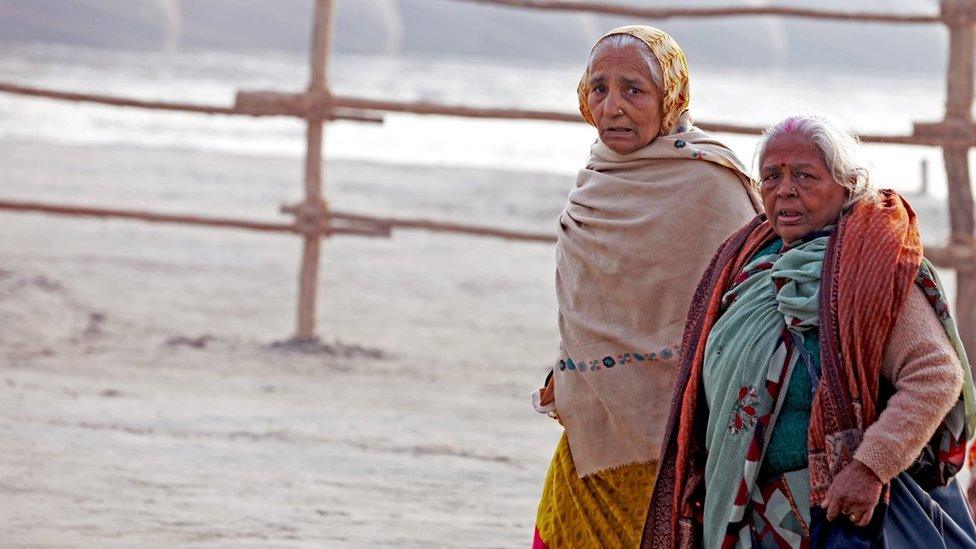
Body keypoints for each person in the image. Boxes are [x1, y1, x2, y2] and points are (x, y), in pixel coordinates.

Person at [642, 115, 976, 548]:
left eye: (804, 175)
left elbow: (935, 376)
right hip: (752, 513)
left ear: (848, 185)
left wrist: (869, 468)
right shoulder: (746, 262)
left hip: (838, 513)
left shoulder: (870, 270)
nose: (785, 190)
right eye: (771, 176)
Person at [531, 25, 760, 548]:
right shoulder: (595, 179)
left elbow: (750, 308)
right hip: (593, 429)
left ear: (670, 97)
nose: (613, 106)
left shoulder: (712, 183)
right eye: (599, 88)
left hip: (682, 440)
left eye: (634, 89)